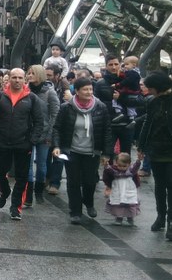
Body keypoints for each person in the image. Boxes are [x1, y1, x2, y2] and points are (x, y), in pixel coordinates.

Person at [52, 77, 112, 225]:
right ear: (77, 91)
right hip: (71, 150)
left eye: (90, 89)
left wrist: (106, 153)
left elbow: (107, 131)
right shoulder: (67, 107)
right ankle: (75, 212)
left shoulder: (100, 107)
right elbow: (57, 128)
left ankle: (89, 202)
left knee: (90, 181)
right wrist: (57, 146)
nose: (88, 92)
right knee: (73, 182)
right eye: (85, 89)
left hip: (92, 152)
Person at [0, 68, 45, 221]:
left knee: (22, 177)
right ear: (9, 79)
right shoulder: (0, 96)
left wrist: (32, 140)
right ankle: (5, 191)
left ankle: (15, 207)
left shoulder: (31, 98)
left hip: (23, 144)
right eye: (14, 77)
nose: (17, 80)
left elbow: (39, 121)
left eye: (20, 78)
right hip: (3, 143)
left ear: (24, 79)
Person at [137, 72, 172, 240]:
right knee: (159, 185)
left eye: (150, 87)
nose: (148, 90)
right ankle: (160, 216)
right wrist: (141, 145)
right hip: (155, 149)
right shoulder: (153, 102)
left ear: (158, 87)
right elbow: (148, 123)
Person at [25, 65, 60, 207]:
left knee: (41, 166)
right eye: (29, 73)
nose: (30, 75)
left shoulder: (49, 92)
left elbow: (55, 114)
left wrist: (50, 133)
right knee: (27, 166)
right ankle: (28, 196)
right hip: (28, 133)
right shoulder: (25, 90)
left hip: (45, 134)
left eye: (33, 73)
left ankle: (38, 191)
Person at [103, 152, 142, 227]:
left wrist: (139, 160)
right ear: (116, 163)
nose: (121, 167)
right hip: (118, 190)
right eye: (119, 165)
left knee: (130, 203)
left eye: (124, 166)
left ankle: (130, 217)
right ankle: (119, 218)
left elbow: (136, 167)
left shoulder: (130, 171)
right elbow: (108, 170)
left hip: (128, 191)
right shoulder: (115, 171)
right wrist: (106, 165)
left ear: (129, 164)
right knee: (118, 204)